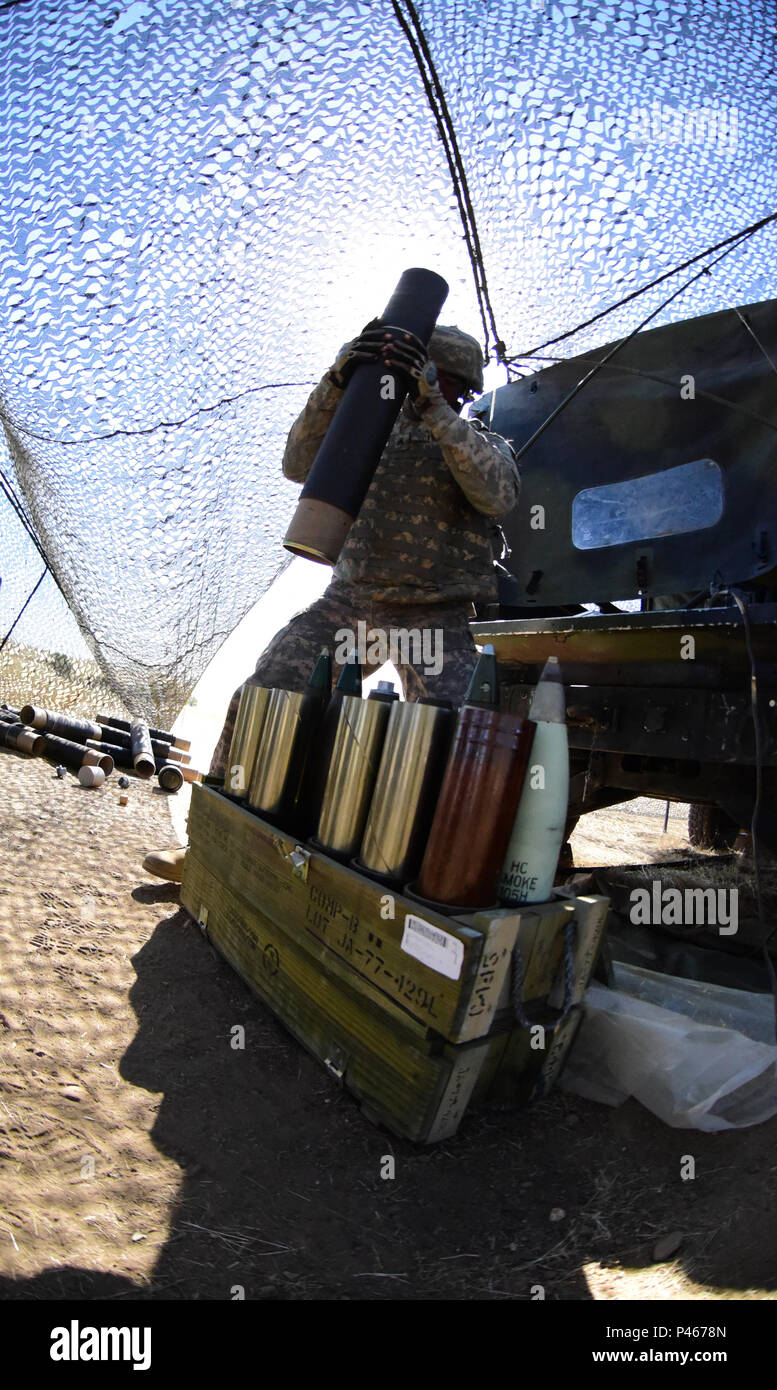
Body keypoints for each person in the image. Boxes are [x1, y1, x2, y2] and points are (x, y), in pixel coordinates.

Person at [144, 322, 520, 881]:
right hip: (352, 606)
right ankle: (209, 847)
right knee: (266, 690)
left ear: (458, 387)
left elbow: (499, 493)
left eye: (447, 382)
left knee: (463, 732)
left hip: (433, 615)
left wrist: (438, 412)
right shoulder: (369, 429)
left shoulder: (476, 441)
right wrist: (337, 379)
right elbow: (297, 462)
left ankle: (436, 875)